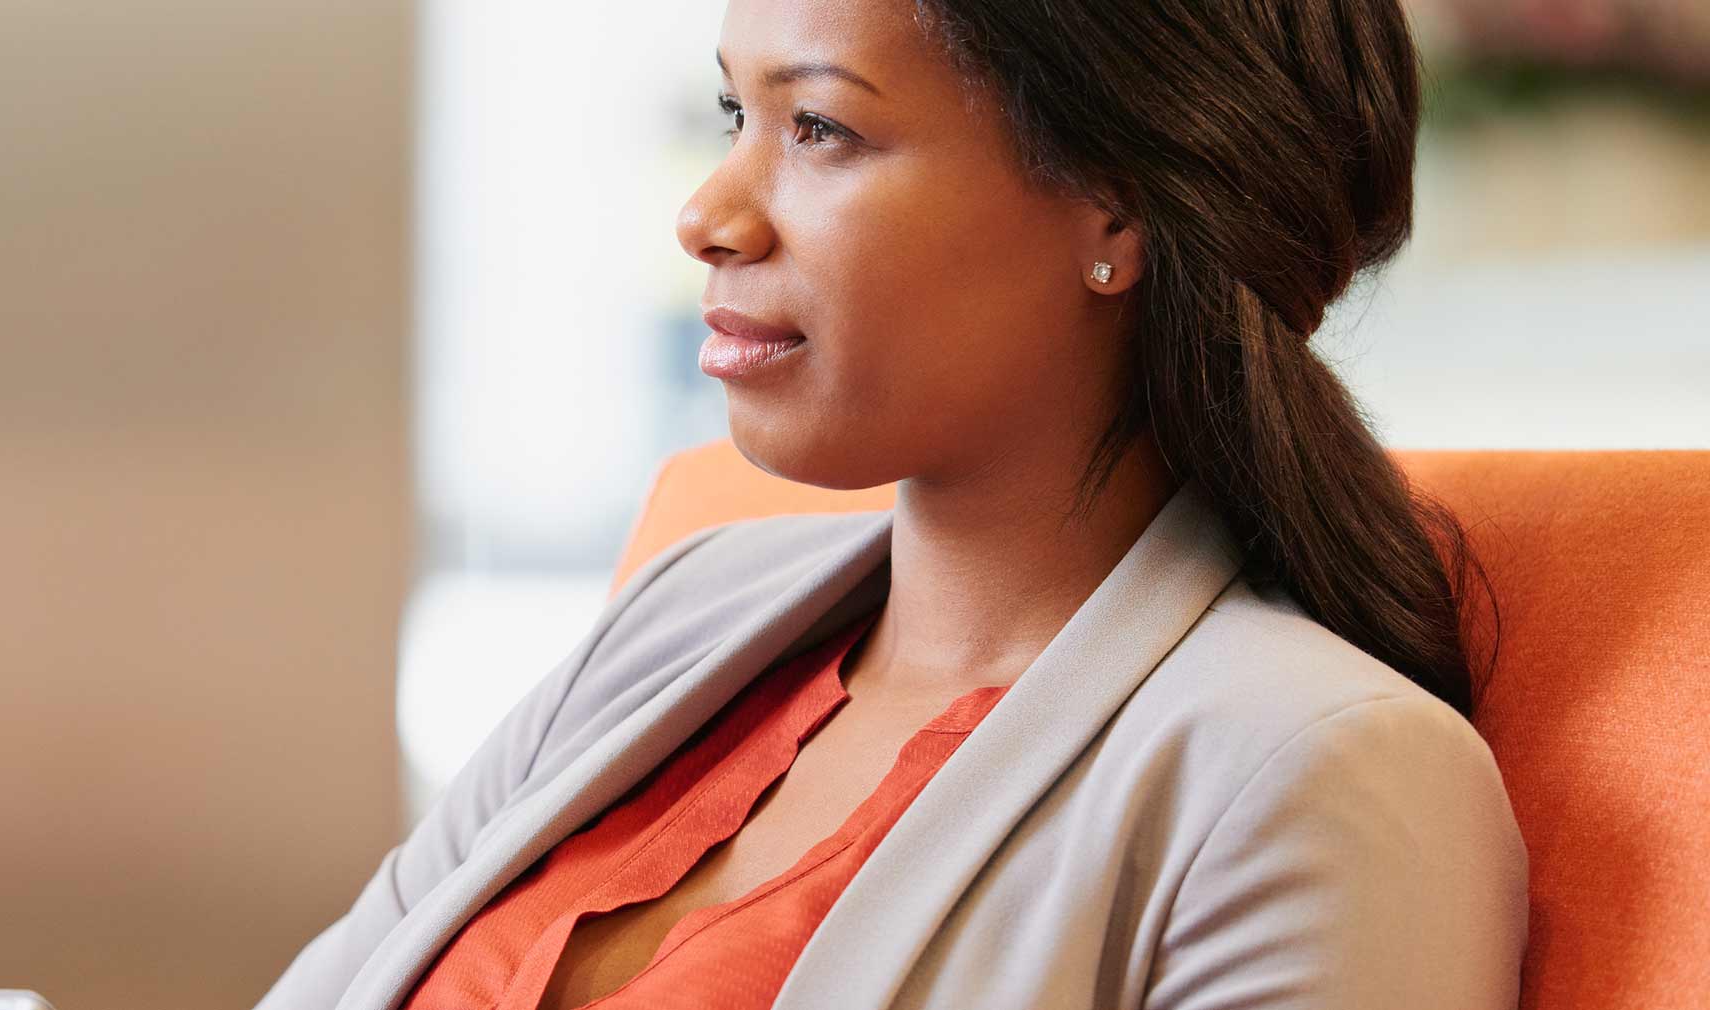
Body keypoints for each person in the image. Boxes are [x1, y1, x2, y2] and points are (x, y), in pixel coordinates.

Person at [255, 0, 1527, 1007]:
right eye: (729, 114)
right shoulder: (682, 617)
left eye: (817, 129)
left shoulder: (1314, 769)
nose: (707, 215)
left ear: (1120, 204)